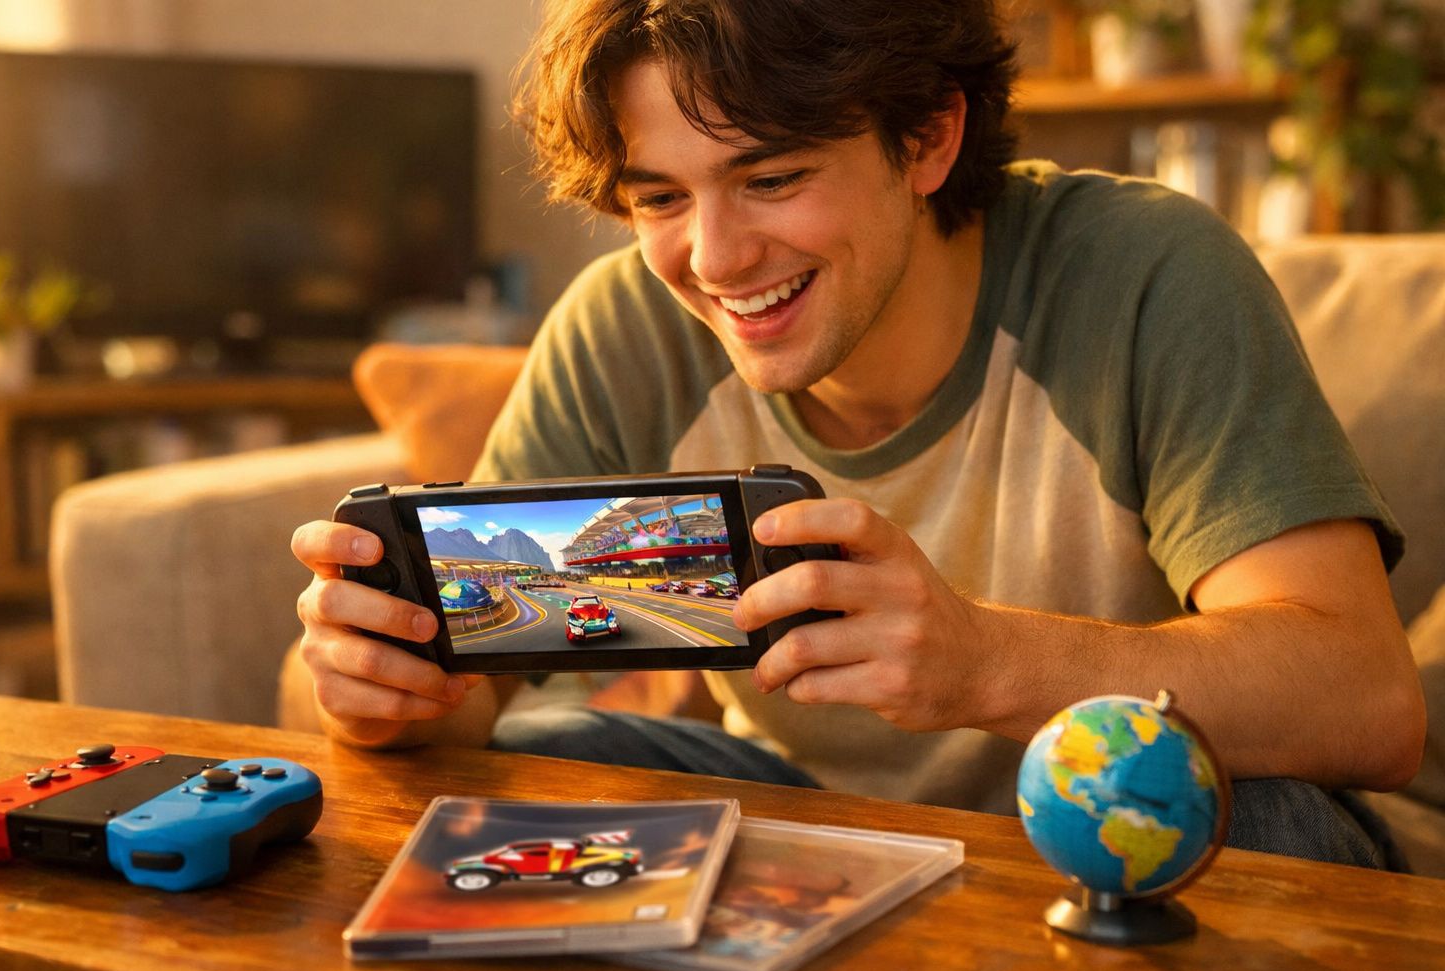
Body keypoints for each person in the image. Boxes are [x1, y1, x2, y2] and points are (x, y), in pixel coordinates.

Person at [291, 0, 1425, 866]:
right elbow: (441, 705)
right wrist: (369, 684)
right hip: (833, 828)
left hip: (1117, 827)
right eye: (660, 199)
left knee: (1262, 813)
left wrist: (979, 661)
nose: (716, 258)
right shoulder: (624, 327)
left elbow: (1365, 701)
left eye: (771, 177)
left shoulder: (1146, 274)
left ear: (928, 139)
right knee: (546, 764)